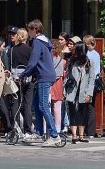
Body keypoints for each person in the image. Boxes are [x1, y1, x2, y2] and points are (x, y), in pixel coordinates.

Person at [20, 19, 64, 147]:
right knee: (36, 103)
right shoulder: (46, 41)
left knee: (44, 105)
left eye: (29, 30)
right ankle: (39, 132)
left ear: (34, 30)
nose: (28, 32)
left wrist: (24, 74)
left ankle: (54, 136)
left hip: (44, 76)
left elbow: (33, 61)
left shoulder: (38, 42)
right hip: (45, 75)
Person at [64, 41, 94, 143]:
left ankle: (81, 135)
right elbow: (67, 77)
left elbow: (91, 79)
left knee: (83, 112)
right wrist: (64, 90)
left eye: (75, 49)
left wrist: (89, 93)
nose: (73, 50)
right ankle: (74, 135)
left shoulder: (89, 62)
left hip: (84, 91)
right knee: (72, 111)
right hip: (72, 89)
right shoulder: (71, 61)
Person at [6, 27, 34, 134]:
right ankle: (28, 129)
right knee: (27, 103)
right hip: (27, 78)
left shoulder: (12, 50)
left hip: (15, 78)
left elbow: (9, 64)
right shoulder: (30, 50)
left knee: (15, 103)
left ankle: (16, 127)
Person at [83, 35, 102, 136]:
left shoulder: (90, 54)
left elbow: (92, 70)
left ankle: (89, 130)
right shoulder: (96, 54)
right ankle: (89, 130)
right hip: (93, 81)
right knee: (89, 106)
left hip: (90, 82)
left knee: (89, 106)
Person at [50, 39, 66, 137]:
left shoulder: (47, 60)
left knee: (46, 107)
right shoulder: (62, 61)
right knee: (57, 108)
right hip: (58, 83)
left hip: (48, 83)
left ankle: (45, 129)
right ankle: (58, 128)